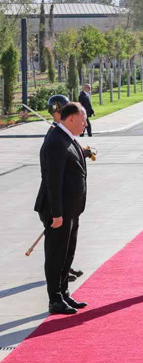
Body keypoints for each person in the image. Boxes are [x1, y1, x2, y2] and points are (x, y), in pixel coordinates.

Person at [34, 102, 88, 314]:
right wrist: (56, 213)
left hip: (71, 209)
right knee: (56, 254)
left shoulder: (68, 138)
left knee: (67, 253)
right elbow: (52, 181)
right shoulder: (56, 141)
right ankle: (54, 299)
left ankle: (63, 292)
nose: (85, 124)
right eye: (83, 119)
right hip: (58, 210)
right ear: (72, 118)